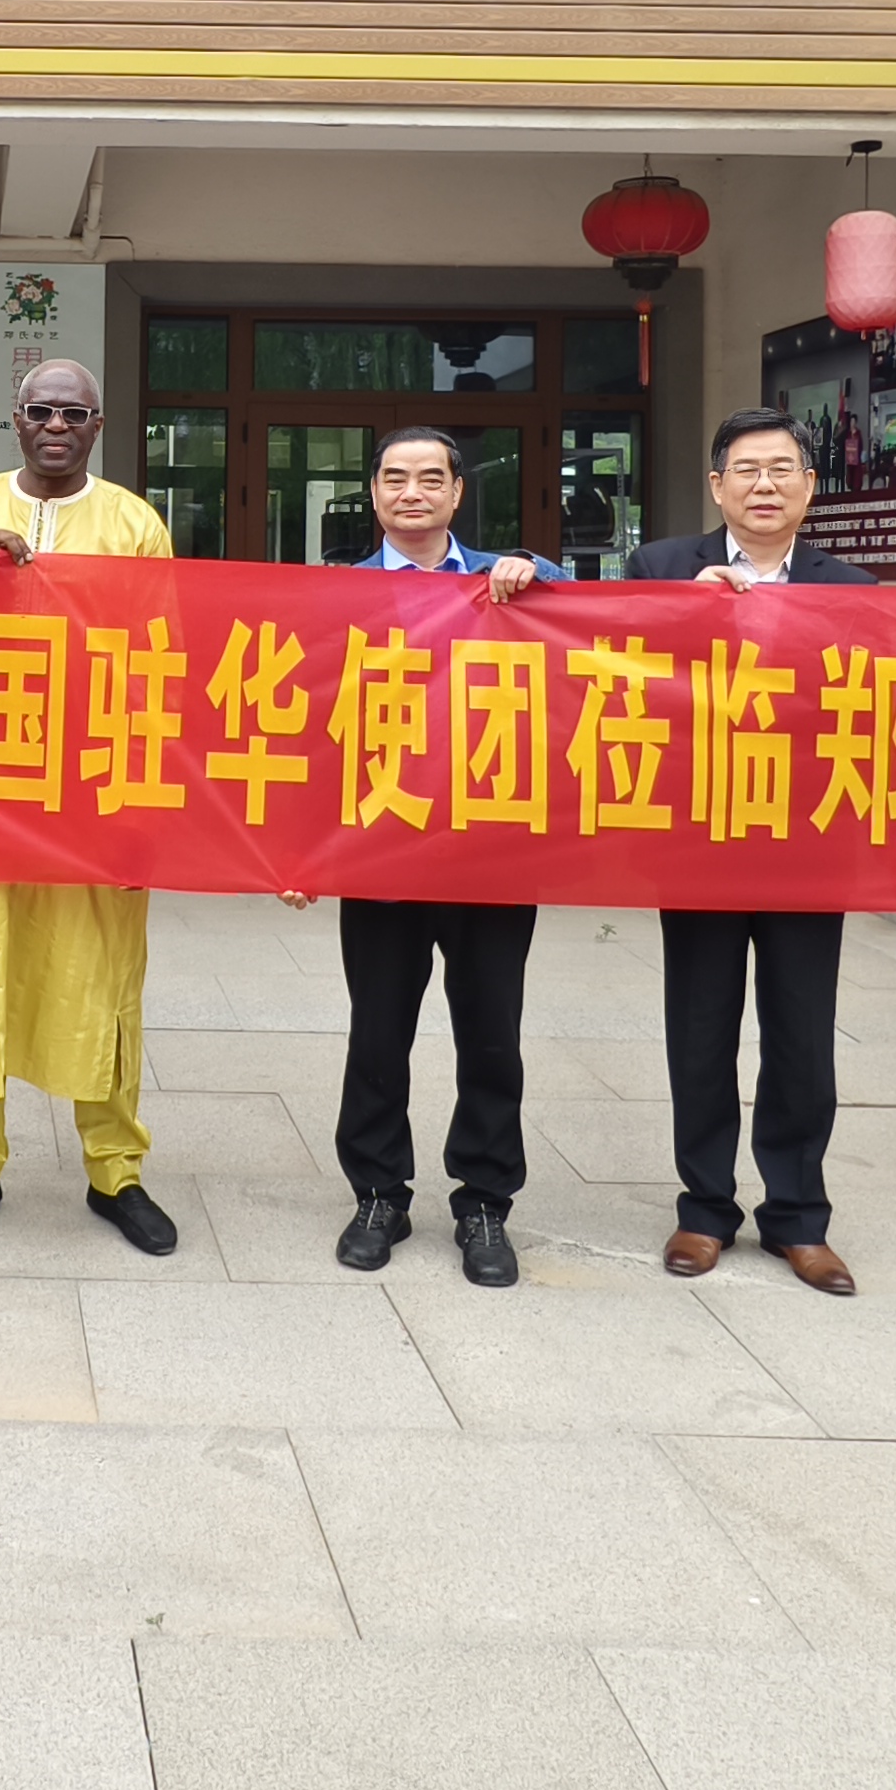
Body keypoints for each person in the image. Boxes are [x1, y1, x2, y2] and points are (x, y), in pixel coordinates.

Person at [0, 356, 184, 1257]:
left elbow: (165, 654)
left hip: (92, 788)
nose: (56, 424)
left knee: (102, 974)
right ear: (15, 419)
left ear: (98, 426)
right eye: (41, 410)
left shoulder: (135, 524)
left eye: (74, 412)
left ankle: (116, 1170)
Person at [625, 406, 875, 1296]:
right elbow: (616, 675)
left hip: (807, 839)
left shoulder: (854, 586)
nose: (764, 485)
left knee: (802, 1033)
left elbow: (878, 709)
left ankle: (798, 1218)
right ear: (717, 485)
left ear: (809, 485)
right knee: (700, 1027)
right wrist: (684, 613)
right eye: (747, 470)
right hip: (701, 833)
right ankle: (704, 1210)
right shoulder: (661, 567)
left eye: (781, 470)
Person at [294, 426, 545, 1288]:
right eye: (395, 479)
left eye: (430, 479)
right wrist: (300, 851)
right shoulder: (340, 596)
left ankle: (485, 1202)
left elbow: (593, 615)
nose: (412, 493)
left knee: (492, 1037)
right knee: (378, 1031)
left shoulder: (512, 584)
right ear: (372, 494)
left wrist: (535, 569)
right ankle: (378, 1195)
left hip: (490, 852)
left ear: (457, 493)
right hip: (382, 852)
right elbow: (305, 731)